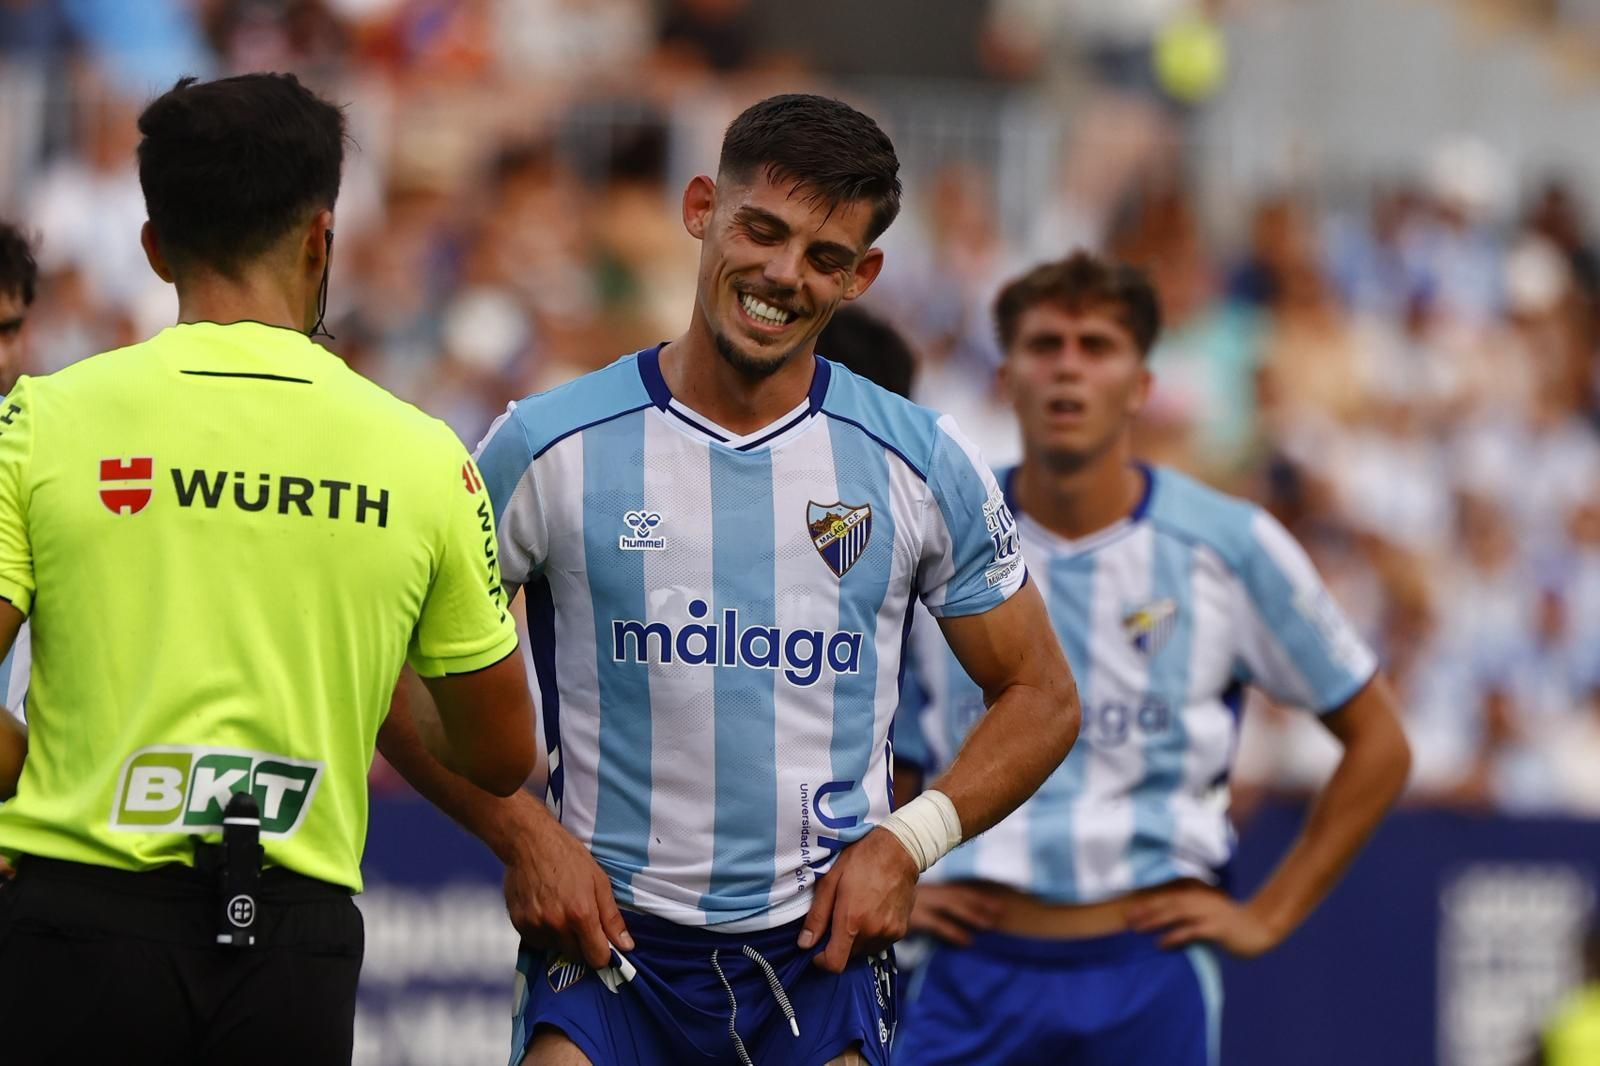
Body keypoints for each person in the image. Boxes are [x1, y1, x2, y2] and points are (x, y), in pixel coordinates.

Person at [377, 93, 1081, 1066]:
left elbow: (1041, 693)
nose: (782, 275)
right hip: (609, 943)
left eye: (825, 257)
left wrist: (905, 843)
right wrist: (523, 835)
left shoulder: (918, 460)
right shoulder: (547, 444)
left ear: (862, 275)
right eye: (762, 229)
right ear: (701, 207)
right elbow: (395, 664)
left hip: (817, 951)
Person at [0, 73, 536, 1065]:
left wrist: (22, 765)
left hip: (72, 916)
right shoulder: (422, 453)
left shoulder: (43, 417)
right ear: (320, 238)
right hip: (294, 938)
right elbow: (502, 753)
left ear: (155, 245)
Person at [893, 251, 1413, 1066]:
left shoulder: (1231, 544)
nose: (1068, 368)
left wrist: (1267, 915)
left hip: (1145, 974)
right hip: (961, 973)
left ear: (1141, 385)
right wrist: (887, 874)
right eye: (1044, 345)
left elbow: (1380, 743)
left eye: (1096, 347)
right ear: (1007, 376)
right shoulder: (931, 526)